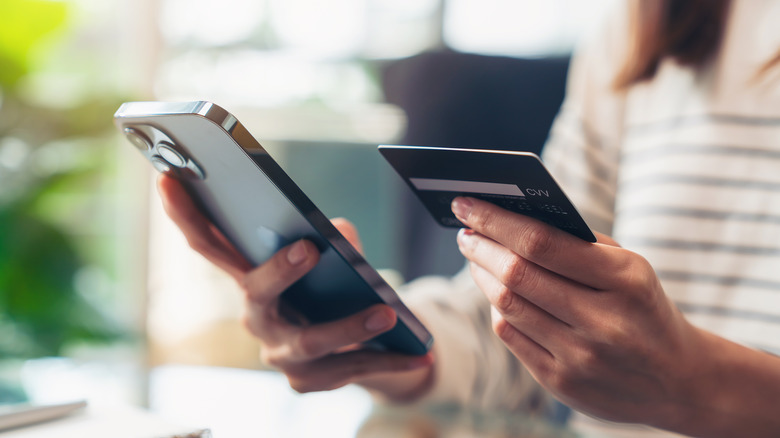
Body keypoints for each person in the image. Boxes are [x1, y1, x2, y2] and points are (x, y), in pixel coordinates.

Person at [156, 0, 780, 436]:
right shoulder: (650, 24)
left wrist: (696, 384)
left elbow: (655, 375)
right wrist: (378, 334)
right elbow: (526, 352)